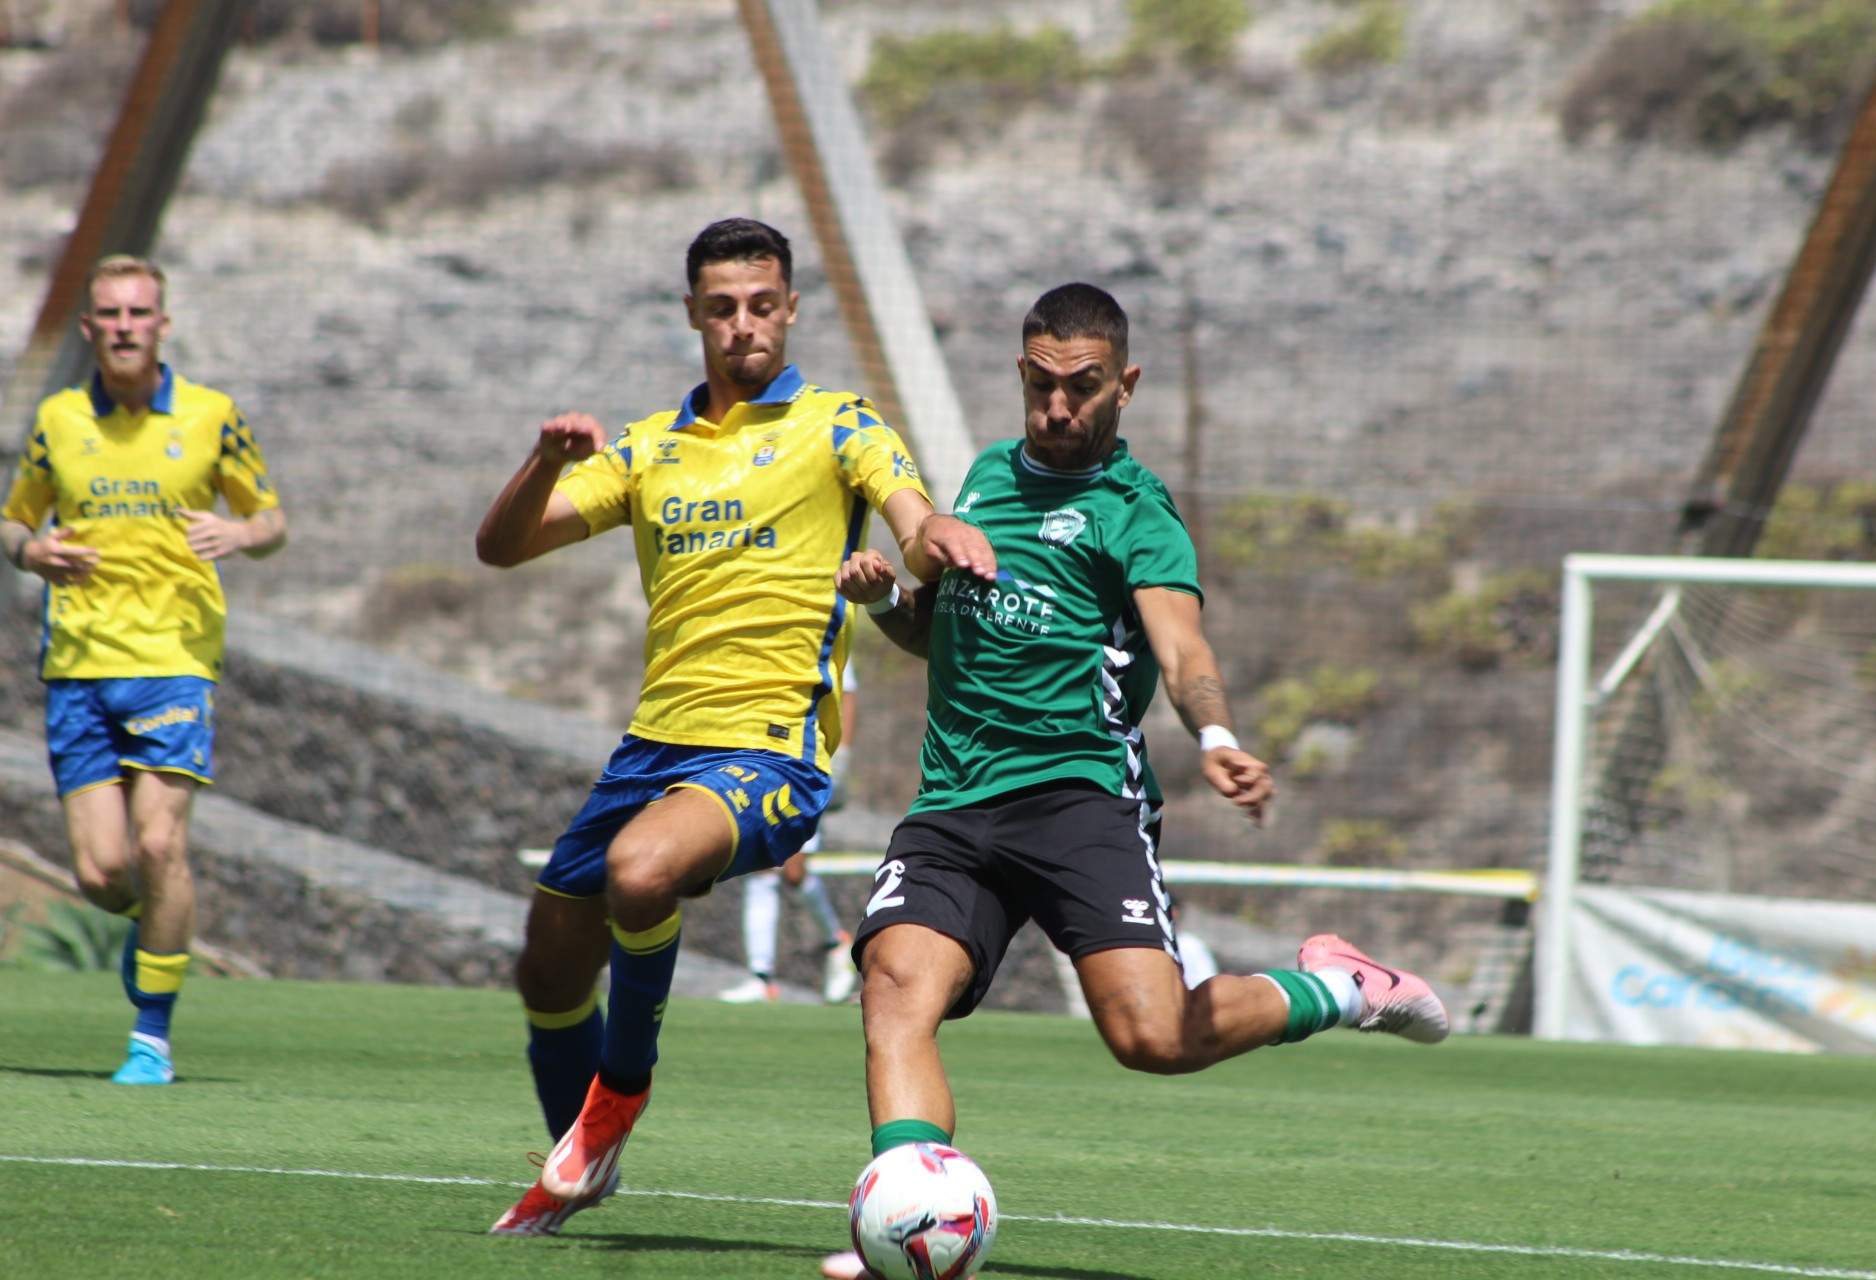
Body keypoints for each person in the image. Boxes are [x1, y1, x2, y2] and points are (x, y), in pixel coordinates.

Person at [820, 283, 1446, 1280]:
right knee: (894, 986)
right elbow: (937, 637)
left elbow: (1182, 646)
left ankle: (1342, 985)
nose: (1058, 408)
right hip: (955, 803)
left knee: (1151, 1035)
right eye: (1039, 385)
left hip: (1081, 803)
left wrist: (1218, 732)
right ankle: (909, 1211)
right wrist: (889, 599)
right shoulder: (981, 478)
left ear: (1126, 385)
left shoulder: (1135, 512)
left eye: (1082, 387)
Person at [475, 217, 993, 1237]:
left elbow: (910, 514)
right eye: (723, 307)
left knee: (638, 871)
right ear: (693, 316)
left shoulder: (839, 422)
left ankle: (619, 1095)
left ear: (790, 308)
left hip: (768, 747)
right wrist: (542, 461)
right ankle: (583, 1150)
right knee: (545, 966)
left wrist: (942, 532)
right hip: (651, 746)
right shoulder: (651, 446)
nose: (744, 325)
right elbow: (502, 547)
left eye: (763, 304)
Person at [0, 254, 288, 1086]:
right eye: (110, 314)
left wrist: (239, 535)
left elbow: (269, 518)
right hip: (79, 666)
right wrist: (34, 551)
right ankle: (161, 923)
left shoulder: (209, 416)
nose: (125, 326)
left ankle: (151, 1037)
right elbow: (12, 524)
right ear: (89, 328)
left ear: (162, 324)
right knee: (101, 876)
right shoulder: (58, 420)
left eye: (140, 313)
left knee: (161, 842)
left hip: (173, 662)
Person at [719, 658, 861, 1005]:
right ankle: (761, 977)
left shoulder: (827, 624)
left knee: (794, 871)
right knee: (763, 869)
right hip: (766, 757)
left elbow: (847, 694)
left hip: (809, 763)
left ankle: (836, 942)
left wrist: (841, 755)